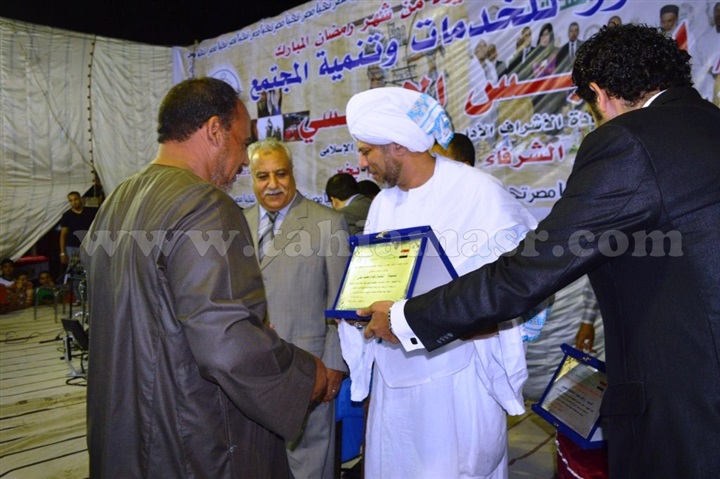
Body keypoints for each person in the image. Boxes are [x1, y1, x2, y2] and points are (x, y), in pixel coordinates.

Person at [358, 25, 720, 477]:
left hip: (687, 406)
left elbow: (528, 272)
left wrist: (407, 318)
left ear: (598, 94)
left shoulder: (629, 141)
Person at [81, 78, 327, 478]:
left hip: (123, 436)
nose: (244, 161)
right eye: (242, 142)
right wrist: (306, 375)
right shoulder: (205, 205)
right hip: (190, 442)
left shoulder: (115, 203)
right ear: (215, 130)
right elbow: (227, 343)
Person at [341, 87, 539, 478]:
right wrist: (357, 309)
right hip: (394, 385)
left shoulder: (478, 193)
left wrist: (424, 320)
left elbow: (520, 290)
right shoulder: (382, 204)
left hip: (455, 385)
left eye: (366, 151)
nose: (361, 164)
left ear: (397, 145)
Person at [244, 138, 349, 479]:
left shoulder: (327, 223)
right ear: (252, 179)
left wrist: (334, 364)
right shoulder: (237, 224)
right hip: (249, 372)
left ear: (293, 173)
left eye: (281, 174)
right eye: (262, 176)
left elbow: (340, 303)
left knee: (309, 465)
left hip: (308, 369)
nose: (272, 184)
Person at [59, 191, 97, 267]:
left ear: (80, 199)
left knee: (90, 269)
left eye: (75, 199)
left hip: (89, 246)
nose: (74, 202)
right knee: (75, 271)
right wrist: (62, 253)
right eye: (71, 200)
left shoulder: (91, 212)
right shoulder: (67, 215)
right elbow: (63, 235)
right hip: (72, 247)